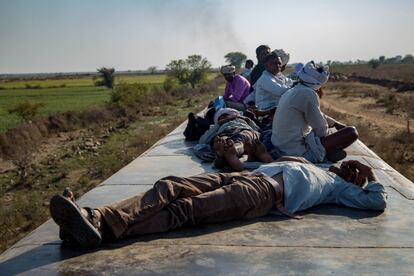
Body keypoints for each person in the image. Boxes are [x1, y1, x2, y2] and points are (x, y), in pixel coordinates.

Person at [50, 142, 387, 249]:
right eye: (351, 167)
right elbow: (257, 162)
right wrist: (232, 160)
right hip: (245, 175)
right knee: (169, 184)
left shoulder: (340, 190)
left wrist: (370, 178)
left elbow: (376, 202)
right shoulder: (313, 164)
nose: (350, 170)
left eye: (355, 172)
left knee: (185, 211)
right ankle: (93, 219)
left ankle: (98, 228)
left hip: (262, 195)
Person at [270, 61, 358, 163]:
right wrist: (330, 137)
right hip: (296, 152)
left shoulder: (294, 90)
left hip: (281, 147)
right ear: (319, 83)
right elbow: (320, 128)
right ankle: (327, 153)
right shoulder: (308, 93)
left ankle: (329, 151)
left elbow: (316, 113)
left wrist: (335, 123)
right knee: (352, 132)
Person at [198, 108, 268, 171]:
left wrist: (248, 120)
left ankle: (232, 151)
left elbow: (258, 131)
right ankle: (222, 154)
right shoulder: (218, 126)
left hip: (244, 130)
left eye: (225, 115)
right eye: (220, 118)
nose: (223, 117)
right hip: (226, 132)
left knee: (242, 139)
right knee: (223, 140)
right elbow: (203, 140)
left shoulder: (243, 120)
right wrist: (219, 124)